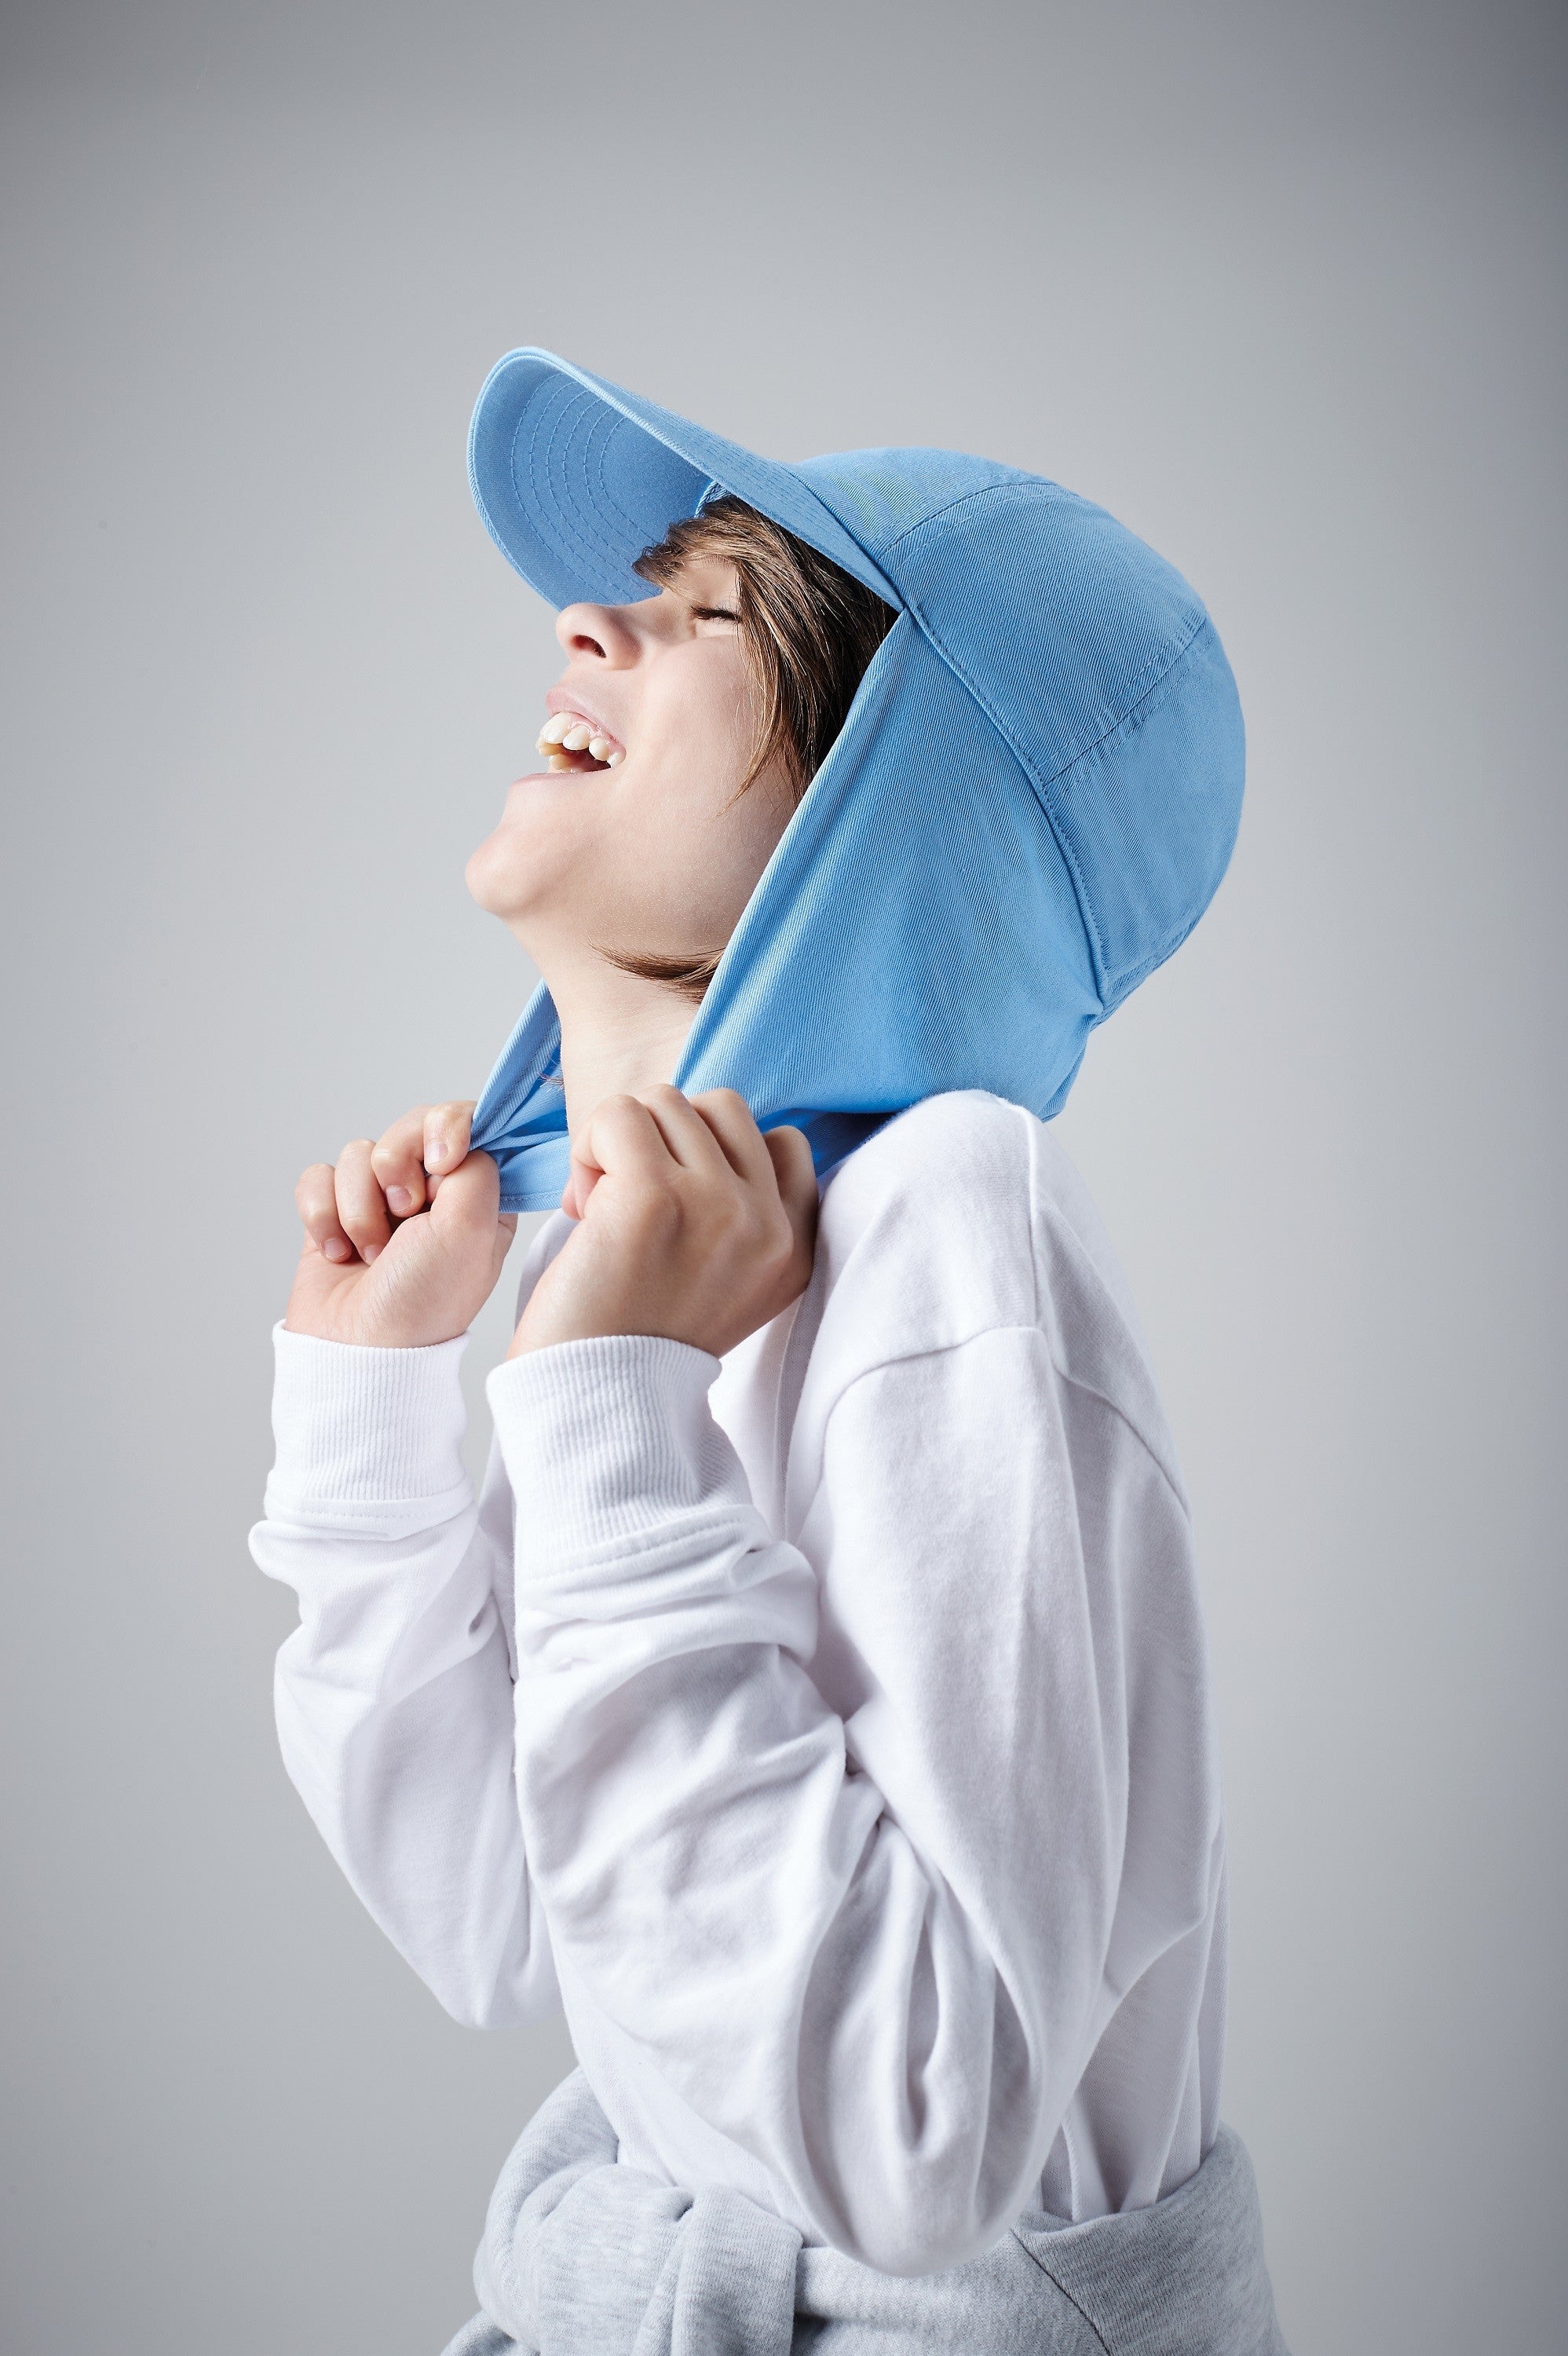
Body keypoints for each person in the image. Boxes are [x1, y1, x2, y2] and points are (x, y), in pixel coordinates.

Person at [250, 350, 1288, 2353]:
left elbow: (915, 2138)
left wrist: (607, 1415)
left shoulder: (949, 1218)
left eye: (708, 614)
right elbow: (499, 1916)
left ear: (893, 810)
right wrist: (368, 1421)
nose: (587, 623)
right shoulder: (665, 1270)